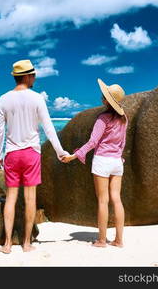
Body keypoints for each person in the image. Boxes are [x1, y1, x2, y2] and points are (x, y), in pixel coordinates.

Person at [0, 59, 69, 253]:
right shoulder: (37, 98)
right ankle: (26, 243)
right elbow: (49, 128)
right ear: (27, 76)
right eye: (33, 75)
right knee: (30, 199)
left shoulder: (3, 99)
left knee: (10, 198)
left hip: (11, 153)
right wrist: (60, 152)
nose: (35, 78)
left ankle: (8, 243)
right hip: (31, 154)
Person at [62, 78, 128, 248]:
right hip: (117, 162)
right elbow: (122, 143)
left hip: (102, 162)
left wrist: (74, 156)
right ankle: (119, 240)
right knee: (117, 199)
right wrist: (119, 158)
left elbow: (92, 142)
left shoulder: (103, 118)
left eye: (103, 96)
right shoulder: (124, 119)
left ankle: (101, 240)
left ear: (107, 100)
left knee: (102, 201)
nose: (101, 98)